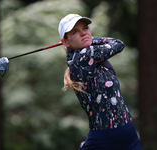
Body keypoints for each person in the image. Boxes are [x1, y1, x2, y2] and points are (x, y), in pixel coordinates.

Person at [58, 14, 142, 150]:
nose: (83, 32)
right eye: (75, 31)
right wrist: (90, 40)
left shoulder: (93, 57)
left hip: (128, 134)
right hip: (105, 139)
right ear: (65, 42)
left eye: (85, 28)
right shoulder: (83, 57)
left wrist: (84, 39)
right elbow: (118, 44)